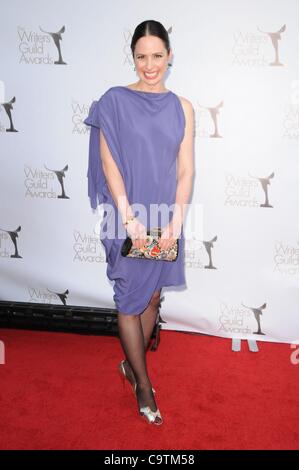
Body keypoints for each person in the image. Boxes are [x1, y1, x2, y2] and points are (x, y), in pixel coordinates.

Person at [84, 20, 194, 425]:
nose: (150, 65)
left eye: (158, 56)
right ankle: (143, 386)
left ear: (169, 56)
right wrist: (126, 214)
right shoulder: (113, 101)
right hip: (124, 214)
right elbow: (109, 162)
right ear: (133, 57)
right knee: (130, 298)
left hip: (165, 216)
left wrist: (177, 219)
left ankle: (131, 366)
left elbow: (185, 170)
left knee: (151, 298)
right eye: (141, 57)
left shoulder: (183, 107)